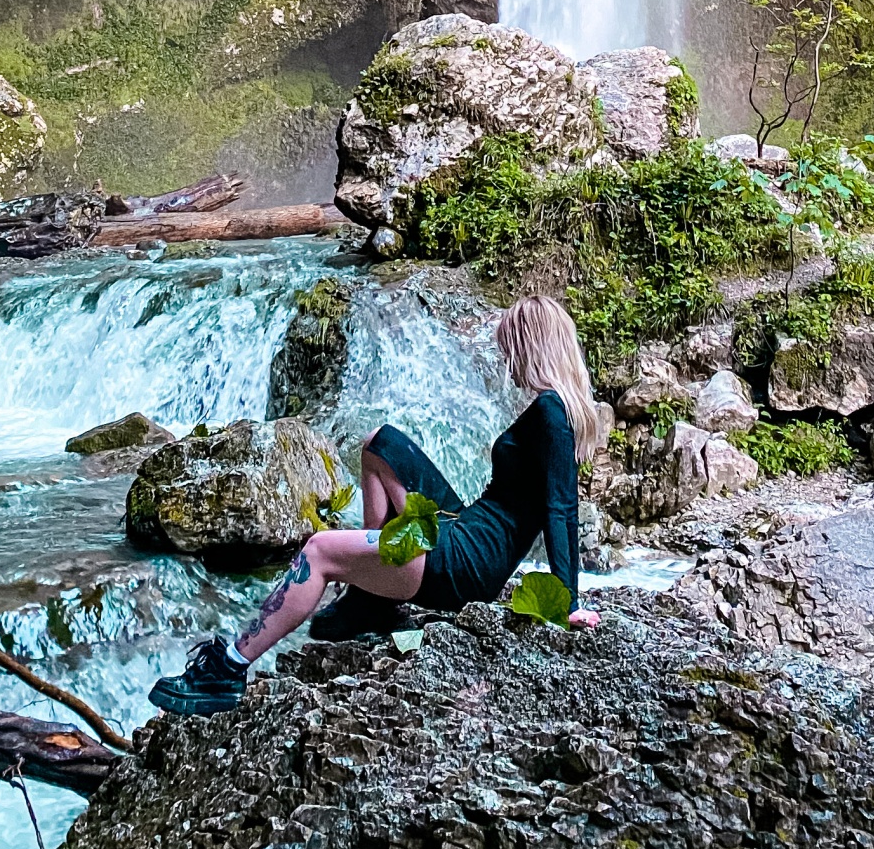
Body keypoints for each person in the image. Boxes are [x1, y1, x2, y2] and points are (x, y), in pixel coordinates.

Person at [149, 293, 604, 715]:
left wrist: (567, 603)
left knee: (319, 550)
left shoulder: (550, 413)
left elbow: (560, 509)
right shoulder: (554, 410)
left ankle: (226, 669)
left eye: (511, 347)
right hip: (467, 532)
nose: (507, 359)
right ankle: (372, 599)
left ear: (532, 345)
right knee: (378, 443)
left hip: (469, 563)